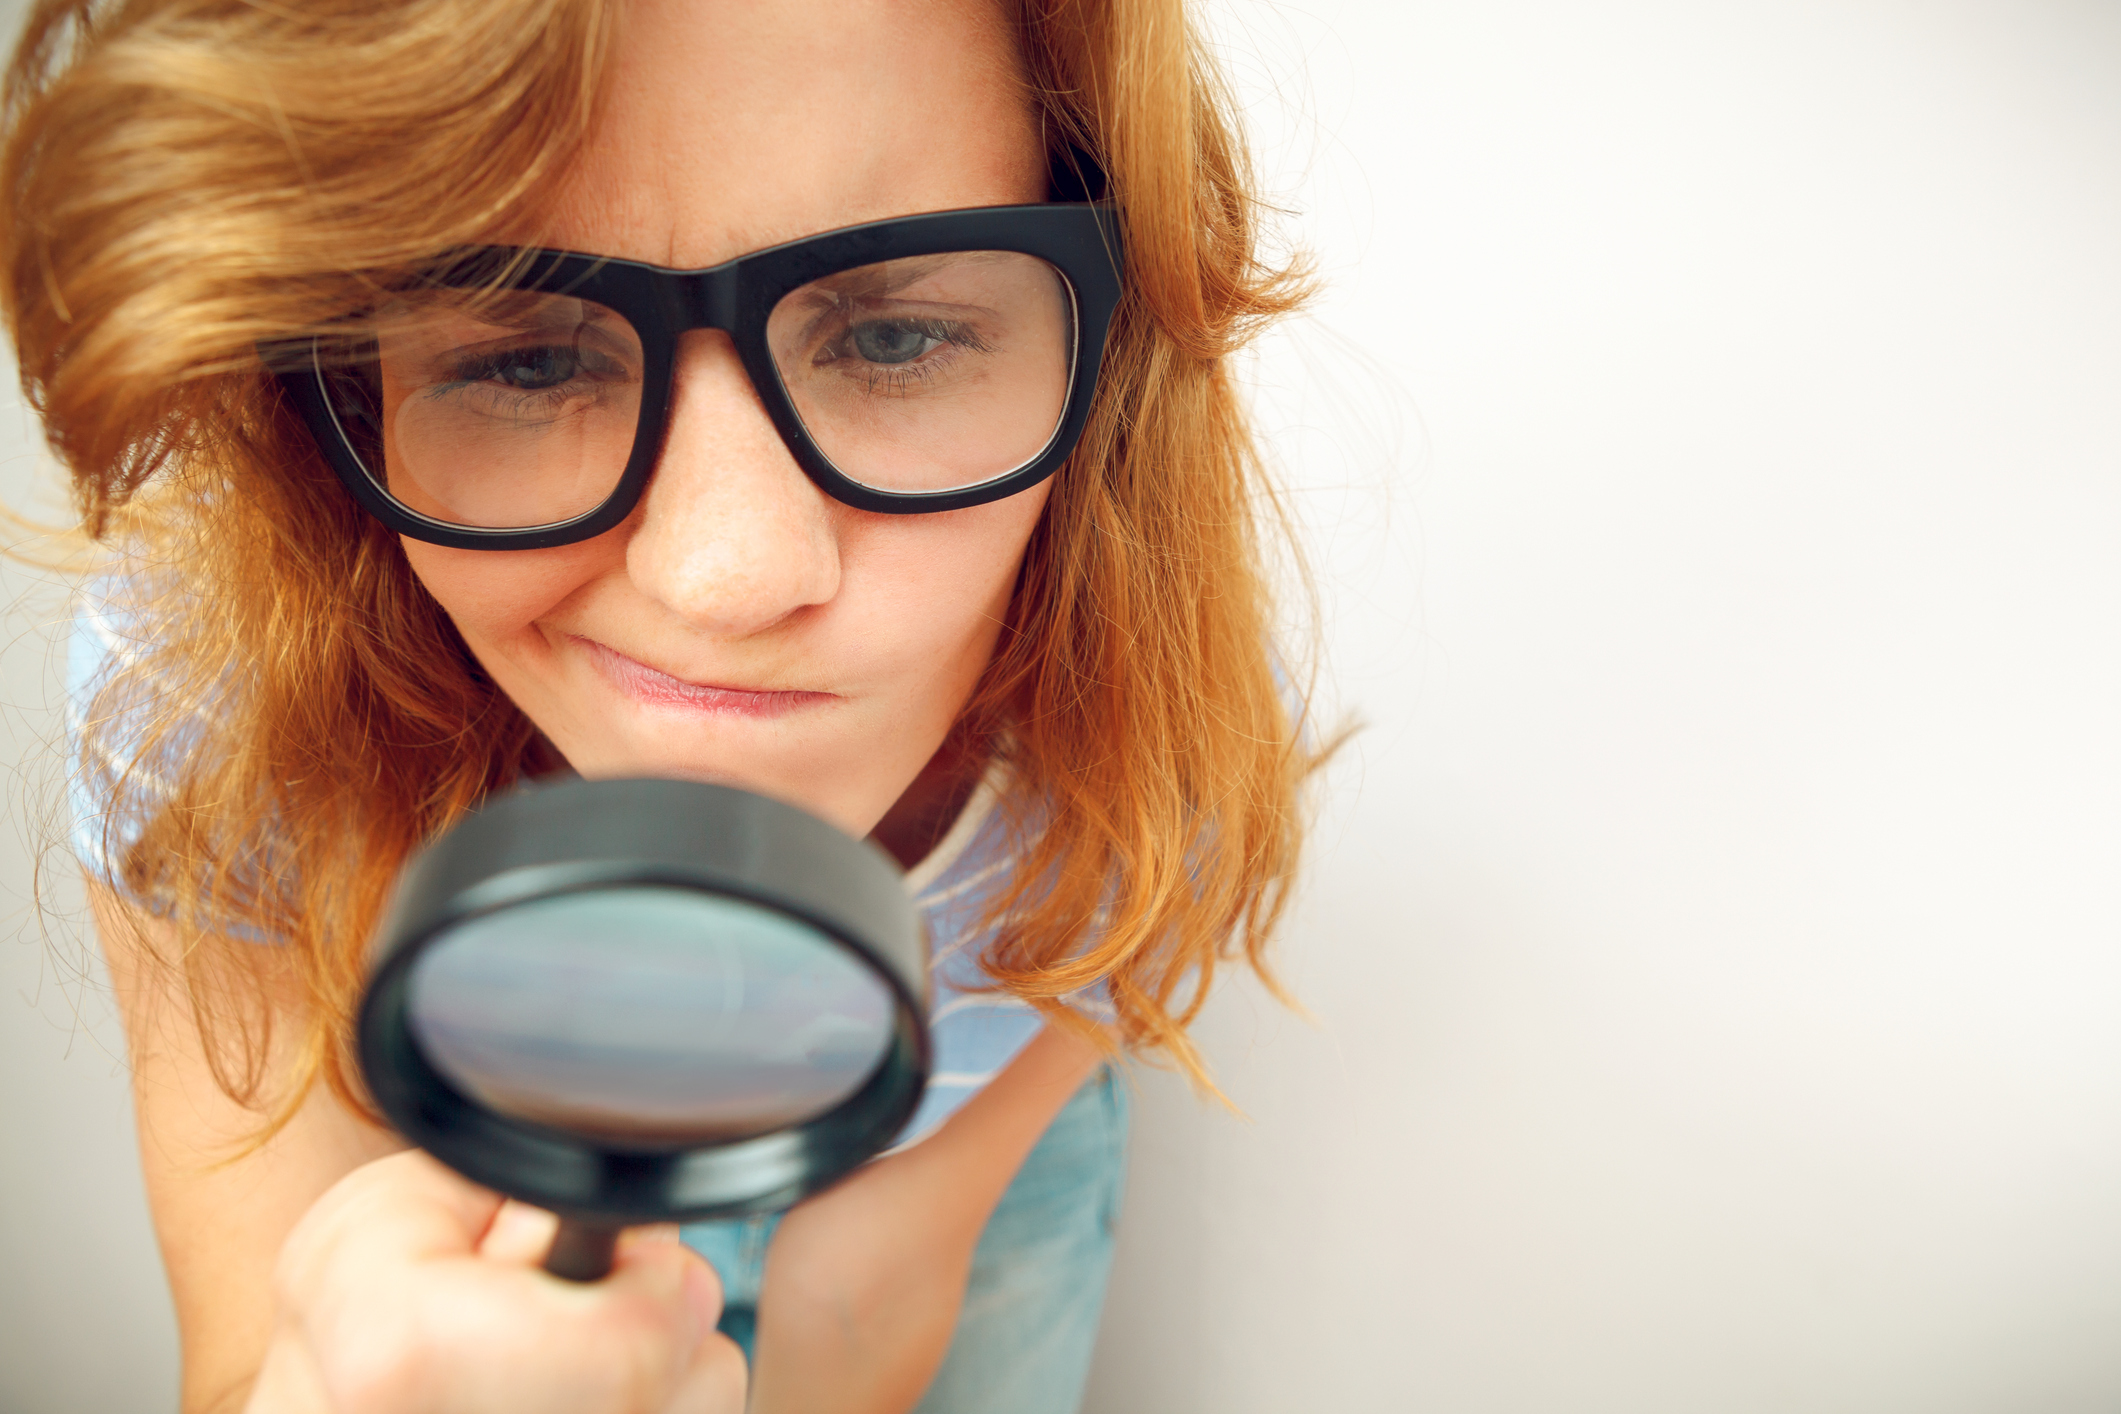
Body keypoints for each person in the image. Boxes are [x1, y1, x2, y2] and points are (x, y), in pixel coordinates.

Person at [3, 0, 1317, 1409]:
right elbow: (257, 1331)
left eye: (894, 340)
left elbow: (863, 1285)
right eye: (527, 357)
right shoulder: (205, 699)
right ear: (322, 399)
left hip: (943, 1179)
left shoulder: (1129, 716)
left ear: (1109, 351)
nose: (723, 578)